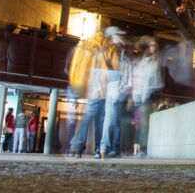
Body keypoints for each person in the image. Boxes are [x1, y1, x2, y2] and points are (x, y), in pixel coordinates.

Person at [68, 31, 107, 157]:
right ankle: (92, 147)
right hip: (97, 90)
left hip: (94, 90)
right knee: (96, 120)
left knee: (89, 119)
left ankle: (80, 146)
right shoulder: (94, 52)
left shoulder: (86, 50)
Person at [98, 26, 129, 159]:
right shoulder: (114, 51)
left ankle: (106, 147)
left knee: (110, 119)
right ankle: (109, 147)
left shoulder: (108, 50)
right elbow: (122, 69)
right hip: (114, 85)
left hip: (113, 86)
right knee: (112, 119)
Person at [131, 36, 163, 158]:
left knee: (143, 124)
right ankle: (139, 149)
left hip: (146, 96)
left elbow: (156, 81)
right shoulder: (145, 61)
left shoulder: (152, 62)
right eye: (152, 45)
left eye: (154, 45)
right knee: (140, 124)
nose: (153, 48)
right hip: (140, 96)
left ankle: (142, 149)